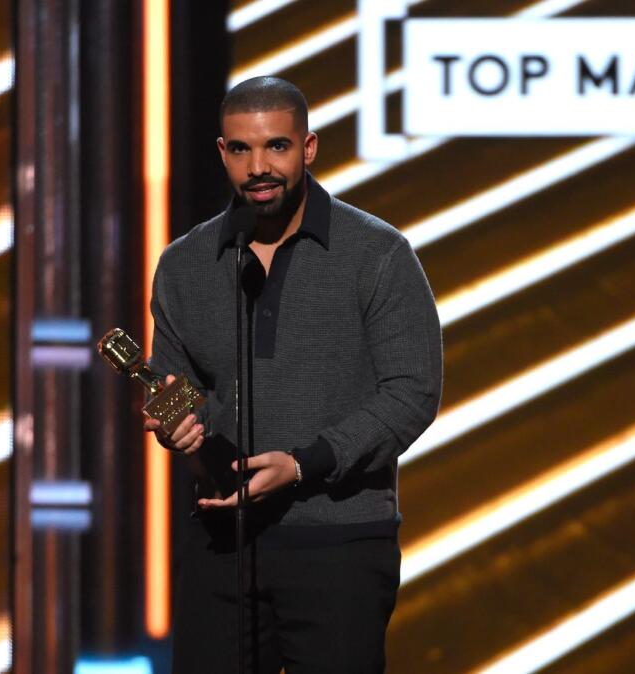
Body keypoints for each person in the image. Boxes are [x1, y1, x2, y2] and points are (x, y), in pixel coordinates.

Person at [142, 76, 443, 673]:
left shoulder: (376, 253)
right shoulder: (184, 265)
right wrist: (175, 424)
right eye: (241, 150)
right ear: (221, 152)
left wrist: (308, 462)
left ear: (307, 148)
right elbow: (175, 386)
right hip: (221, 543)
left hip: (340, 544)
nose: (259, 167)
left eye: (275, 147)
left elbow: (413, 390)